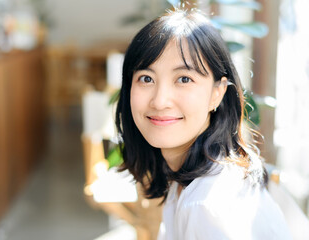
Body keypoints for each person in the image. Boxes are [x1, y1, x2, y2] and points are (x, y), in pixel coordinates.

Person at [115, 8, 292, 240]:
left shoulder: (206, 206)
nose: (159, 101)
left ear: (216, 94)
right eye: (146, 78)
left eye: (184, 79)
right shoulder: (192, 178)